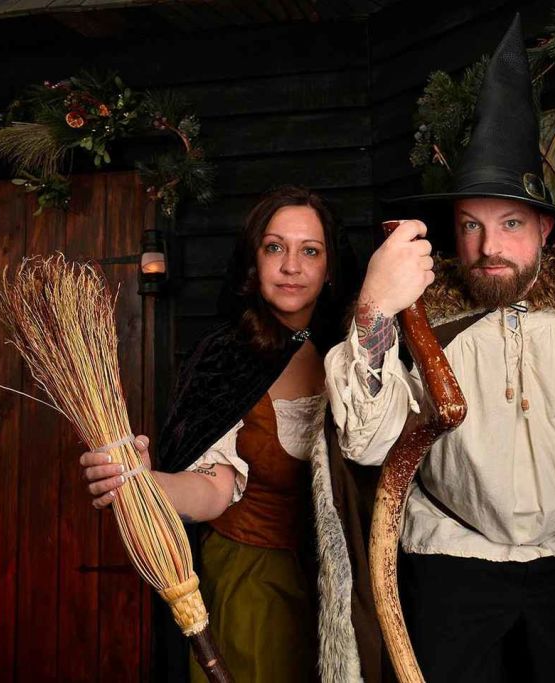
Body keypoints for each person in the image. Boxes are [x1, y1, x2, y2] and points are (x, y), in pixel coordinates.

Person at [325, 15, 555, 683]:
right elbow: (369, 443)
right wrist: (375, 308)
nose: (490, 247)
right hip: (449, 565)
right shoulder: (423, 325)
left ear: (544, 228)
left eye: (511, 223)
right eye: (471, 226)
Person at [78, 186, 363, 683]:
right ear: (254, 261)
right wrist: (144, 483)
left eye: (310, 251)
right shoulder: (225, 357)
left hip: (340, 589)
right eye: (274, 247)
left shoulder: (349, 352)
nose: (291, 266)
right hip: (255, 582)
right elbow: (214, 487)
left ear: (330, 268)